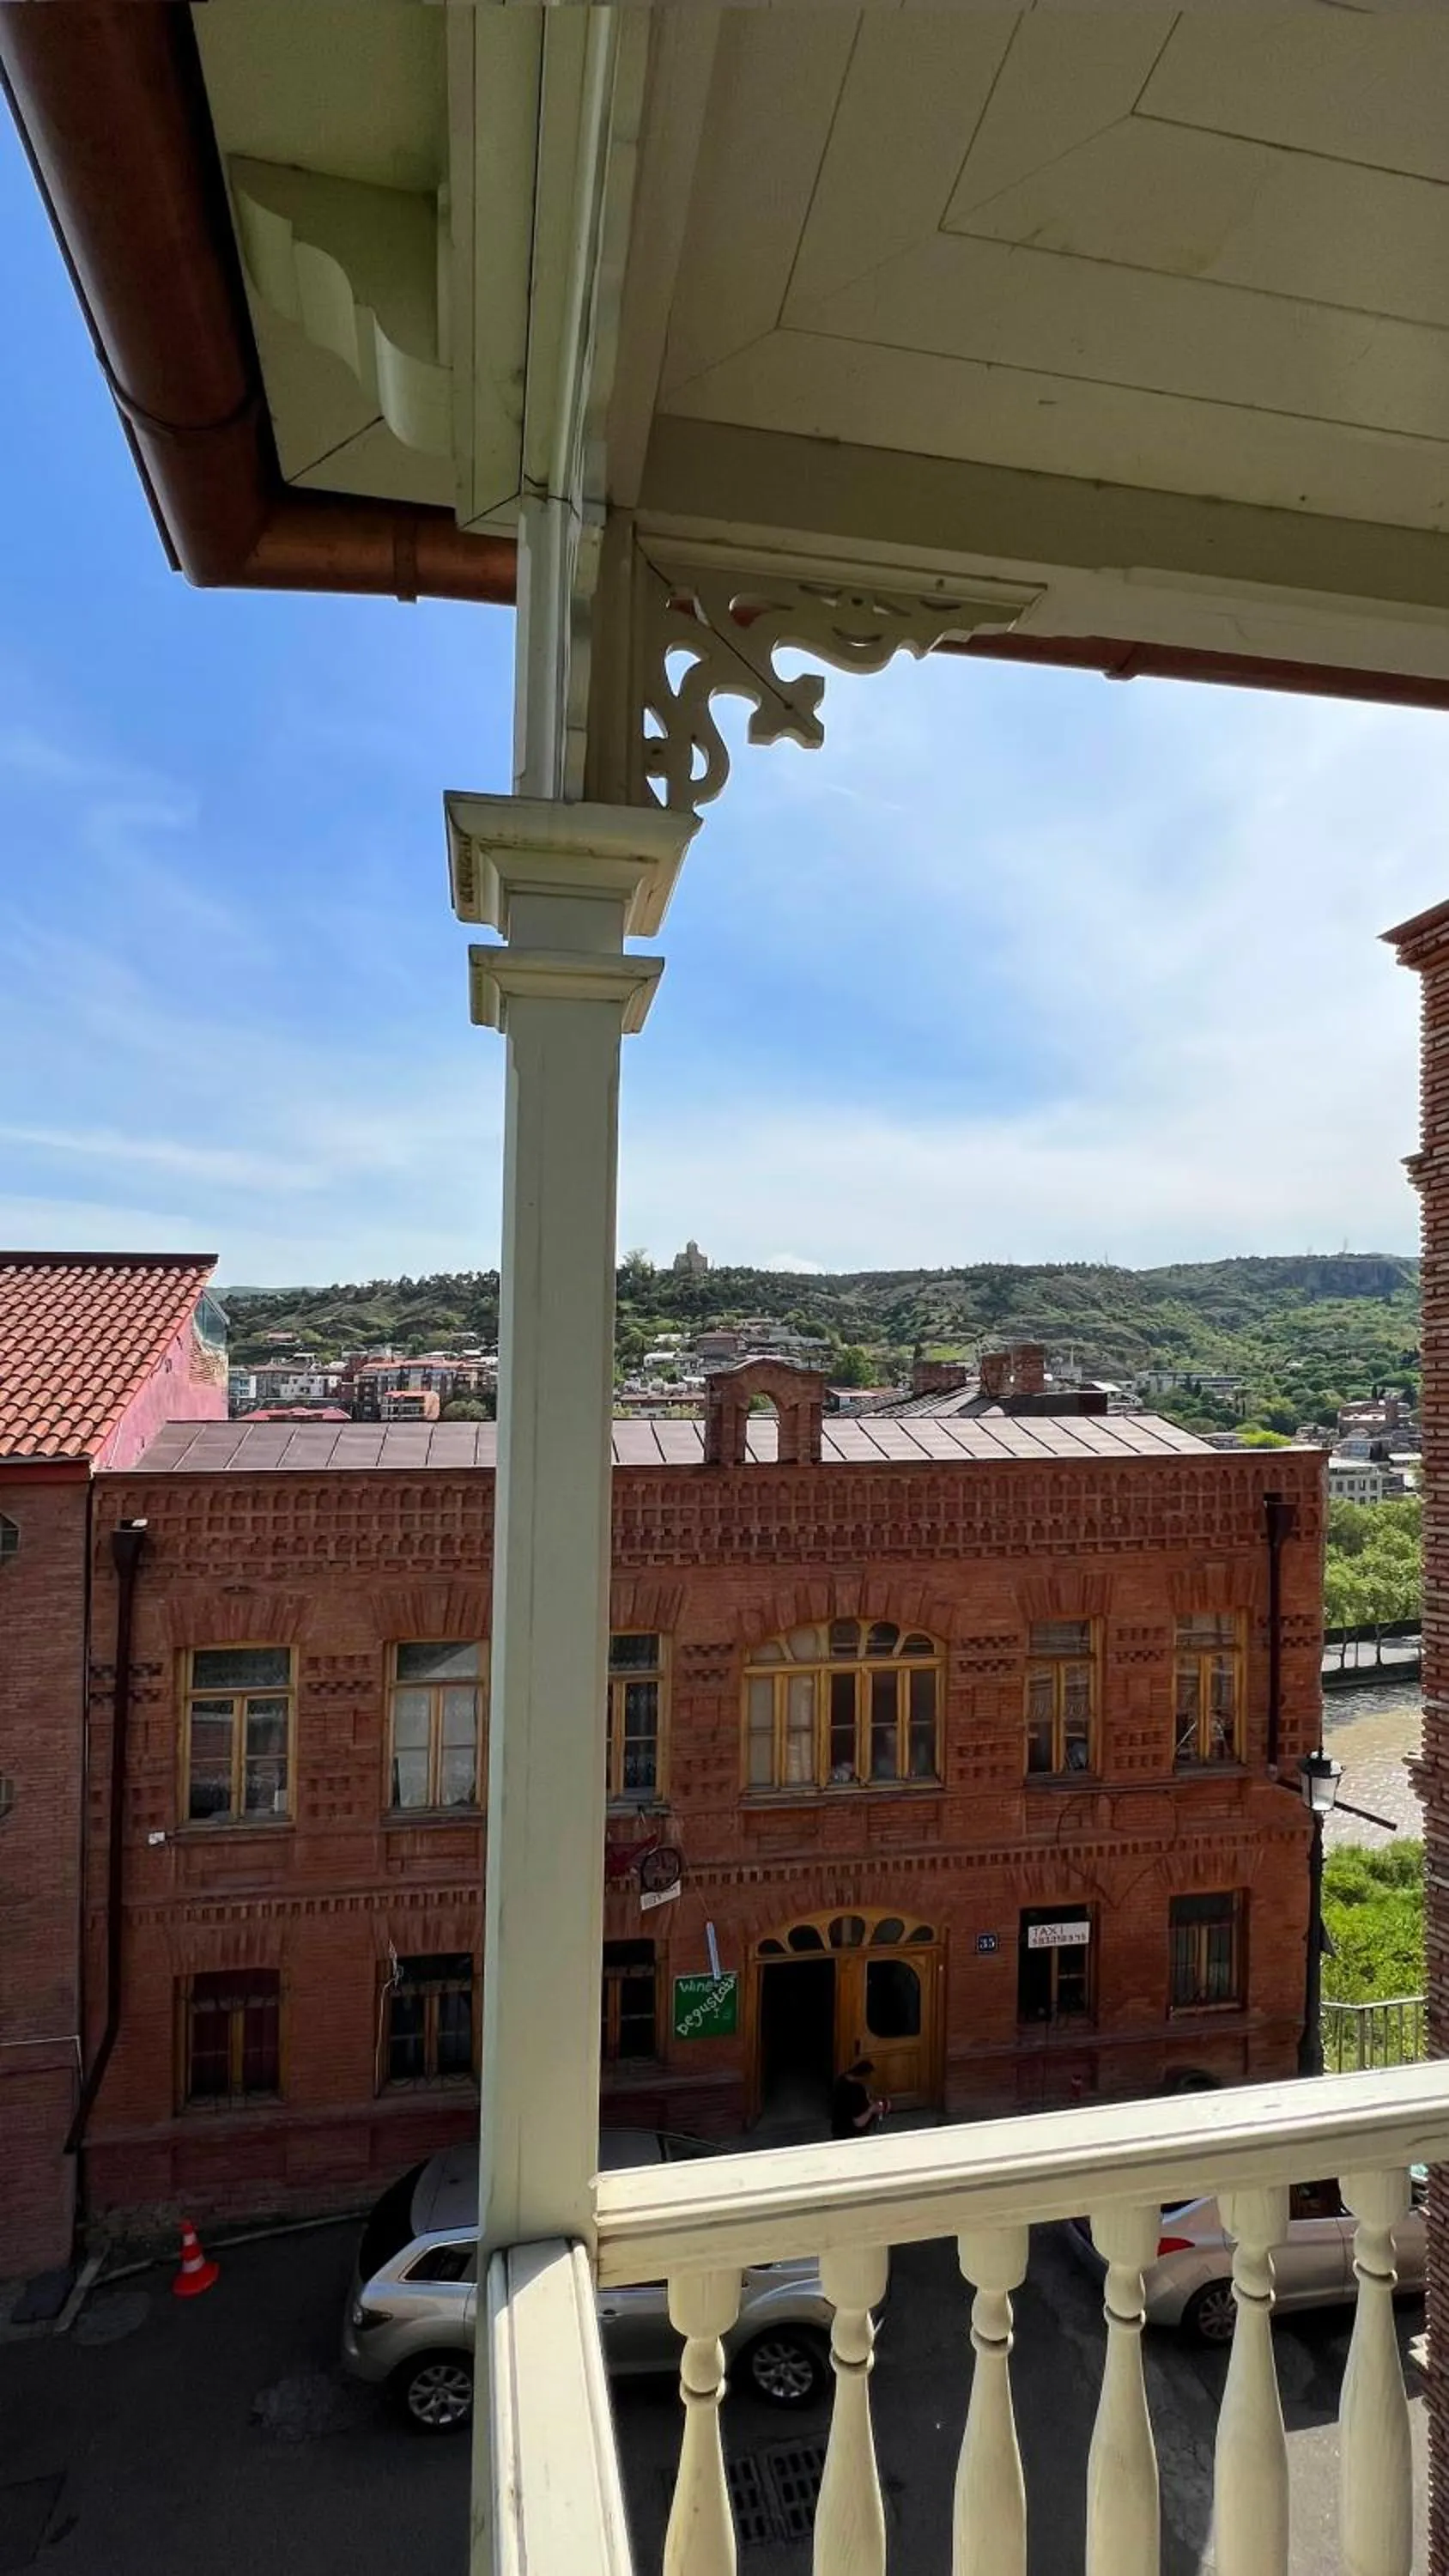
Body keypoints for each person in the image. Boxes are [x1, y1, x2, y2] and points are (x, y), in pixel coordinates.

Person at [830, 2056, 887, 2140]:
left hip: (837, 2130)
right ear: (865, 2077)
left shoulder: (841, 2081)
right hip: (852, 2135)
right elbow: (859, 2122)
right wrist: (872, 2109)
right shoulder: (857, 2091)